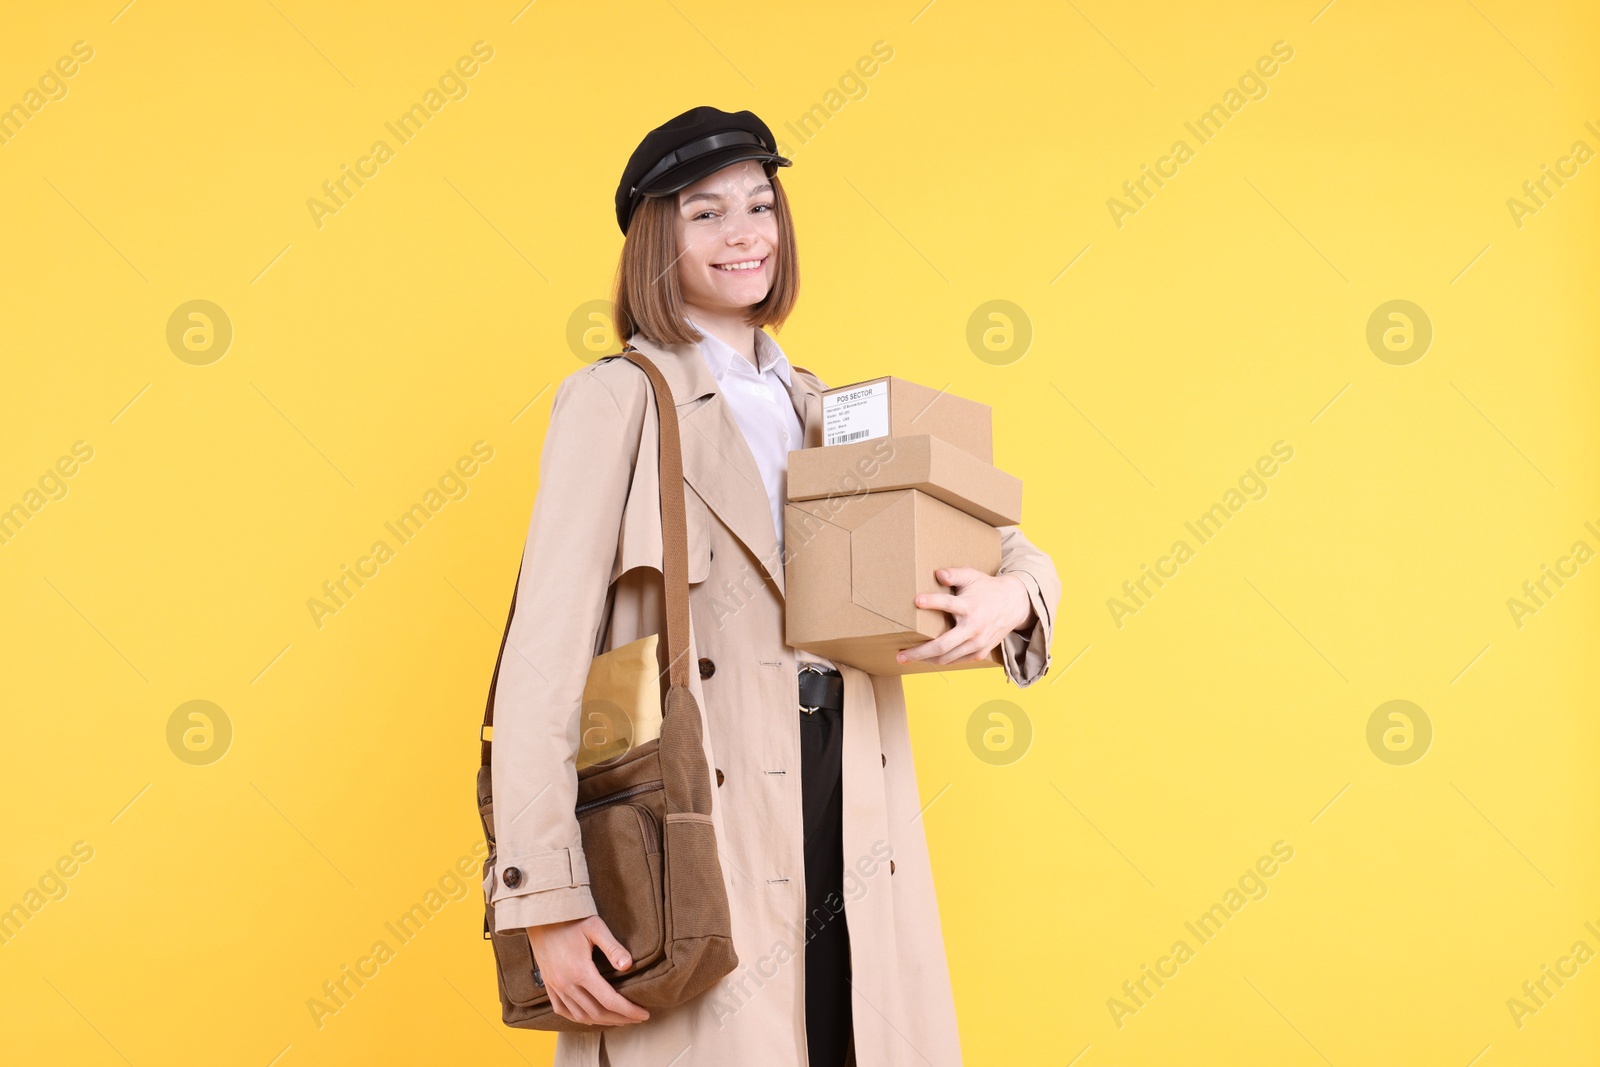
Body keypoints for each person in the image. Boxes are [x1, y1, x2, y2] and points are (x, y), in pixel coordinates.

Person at [488, 106, 1061, 1067]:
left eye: (761, 205)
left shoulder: (826, 408)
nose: (745, 233)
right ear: (653, 242)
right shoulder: (619, 399)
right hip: (710, 824)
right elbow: (543, 660)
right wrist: (544, 898)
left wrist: (1016, 600)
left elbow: (1009, 540)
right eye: (705, 213)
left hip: (850, 803)